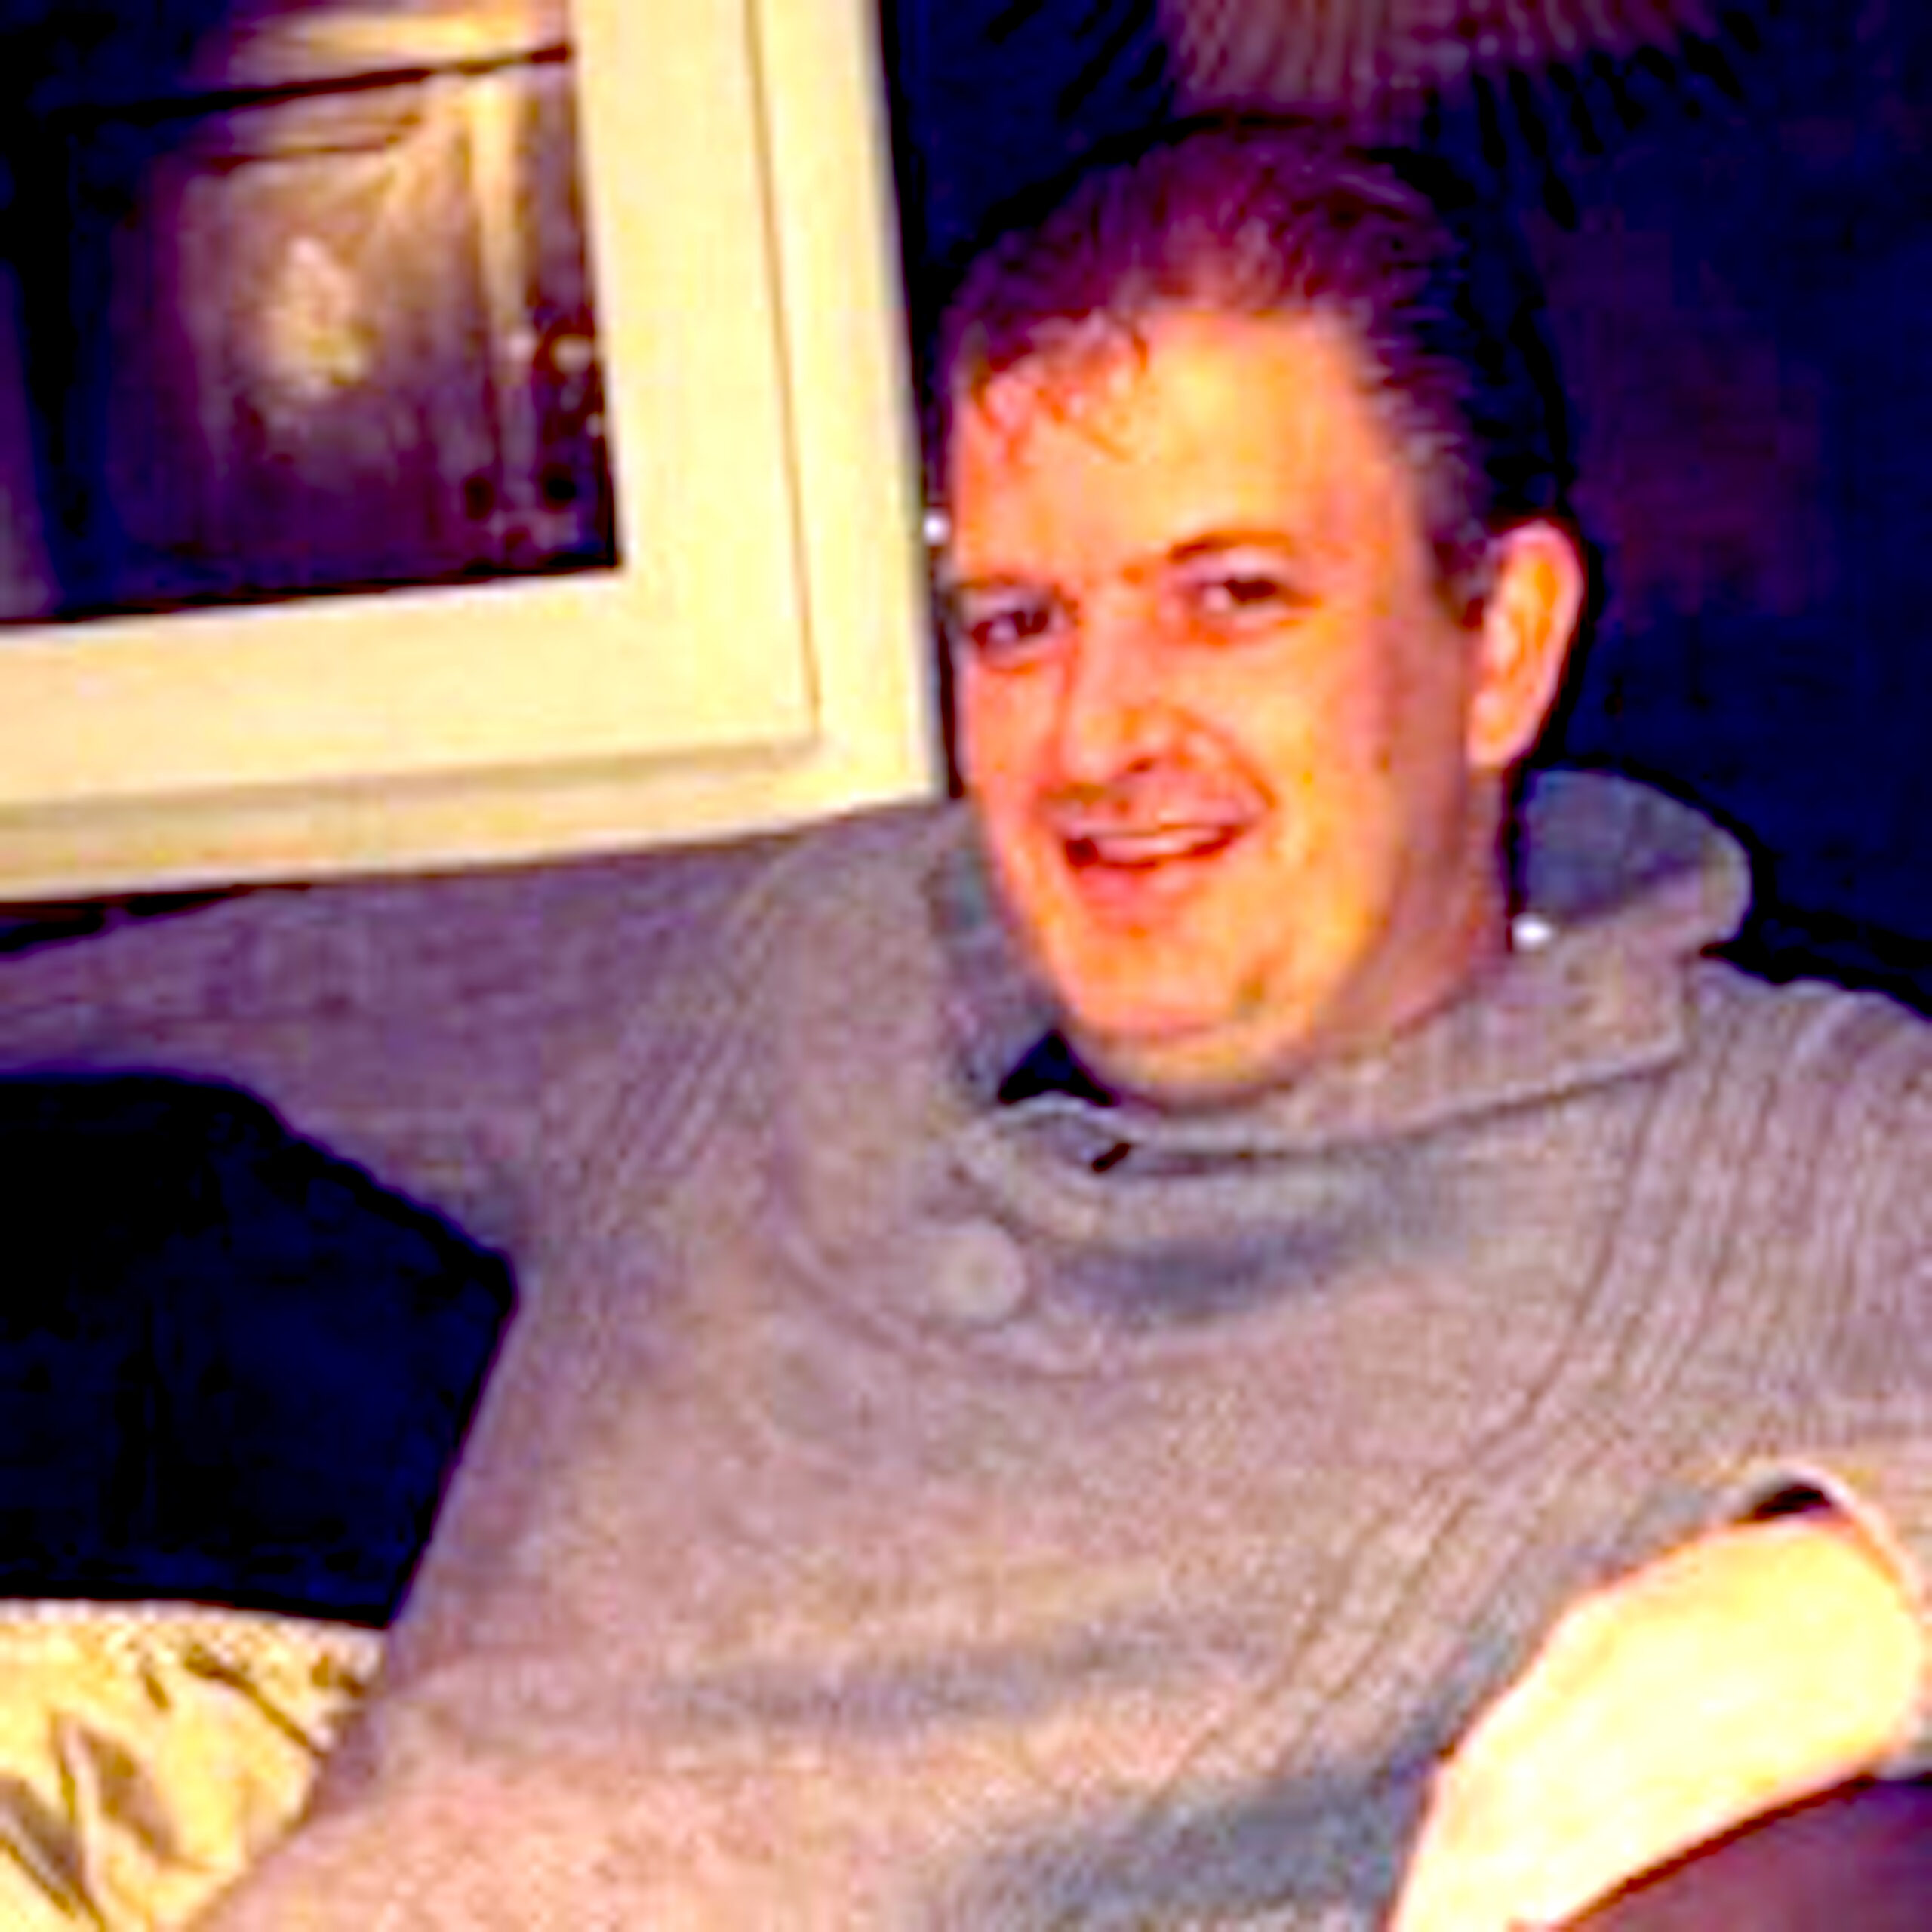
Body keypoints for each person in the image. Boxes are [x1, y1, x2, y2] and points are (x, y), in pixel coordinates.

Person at [158, 116, 1932, 1924]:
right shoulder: (804, 953)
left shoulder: (1775, 1149)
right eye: (1016, 625)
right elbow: (224, 986)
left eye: (1227, 598)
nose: (1094, 736)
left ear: (1500, 645)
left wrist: (1855, 1602)